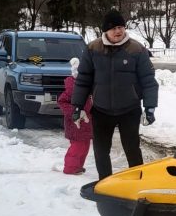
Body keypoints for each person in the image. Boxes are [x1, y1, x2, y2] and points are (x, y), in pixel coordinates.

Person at [72, 10, 158, 180]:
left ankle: (138, 183)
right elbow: (83, 80)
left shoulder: (137, 49)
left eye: (121, 27)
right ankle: (105, 183)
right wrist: (78, 106)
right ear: (105, 30)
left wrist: (150, 107)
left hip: (129, 109)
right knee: (101, 151)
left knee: (132, 149)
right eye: (113, 28)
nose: (118, 31)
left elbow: (148, 80)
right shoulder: (92, 49)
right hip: (102, 110)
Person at [57, 58, 94, 175]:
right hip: (75, 123)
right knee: (77, 146)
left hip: (87, 123)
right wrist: (74, 111)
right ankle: (70, 168)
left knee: (85, 146)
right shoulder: (72, 88)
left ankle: (78, 166)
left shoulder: (89, 87)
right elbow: (61, 101)